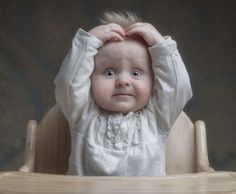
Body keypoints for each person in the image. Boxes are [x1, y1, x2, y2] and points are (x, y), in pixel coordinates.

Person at [54, 11, 193, 176]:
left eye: (136, 73)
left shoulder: (157, 119)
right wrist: (87, 43)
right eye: (109, 72)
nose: (123, 81)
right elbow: (68, 84)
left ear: (154, 82)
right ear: (89, 79)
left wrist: (161, 46)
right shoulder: (82, 115)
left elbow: (178, 87)